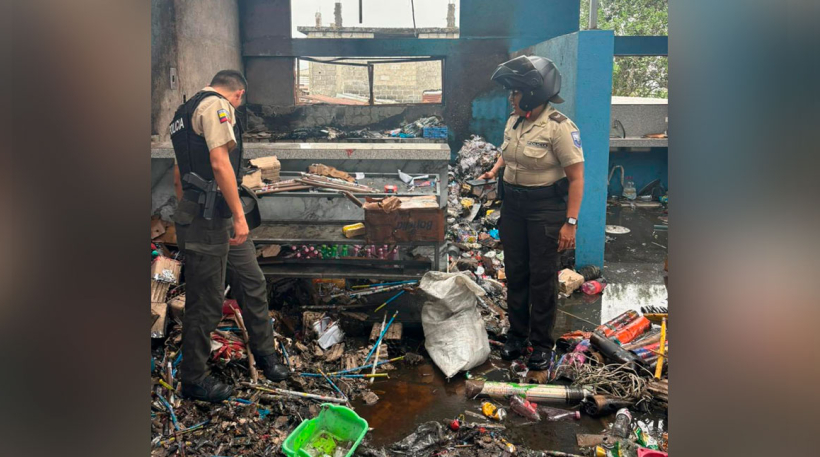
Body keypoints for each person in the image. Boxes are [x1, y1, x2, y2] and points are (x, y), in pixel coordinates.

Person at [169, 70, 288, 403]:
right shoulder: (217, 106)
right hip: (210, 219)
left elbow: (179, 173)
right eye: (239, 99)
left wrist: (191, 207)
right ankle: (194, 380)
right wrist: (239, 216)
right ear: (238, 94)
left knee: (252, 281)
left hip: (210, 213)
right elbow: (220, 162)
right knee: (205, 303)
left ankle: (266, 356)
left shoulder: (182, 114)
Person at [479, 56, 585, 370]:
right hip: (513, 206)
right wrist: (495, 169)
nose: (510, 97)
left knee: (541, 278)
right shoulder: (515, 121)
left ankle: (541, 344)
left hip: (544, 211)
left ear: (533, 93)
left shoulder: (560, 128)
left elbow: (577, 178)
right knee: (516, 273)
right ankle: (516, 335)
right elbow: (507, 152)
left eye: (514, 92)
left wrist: (571, 223)